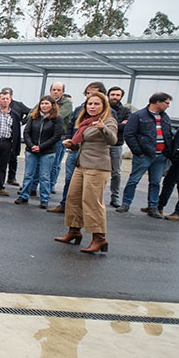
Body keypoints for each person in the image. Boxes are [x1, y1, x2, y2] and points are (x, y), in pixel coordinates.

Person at [56, 91, 119, 254]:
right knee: (73, 198)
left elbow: (113, 140)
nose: (92, 107)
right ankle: (74, 231)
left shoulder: (109, 121)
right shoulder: (85, 121)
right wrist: (71, 144)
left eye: (96, 103)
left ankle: (99, 238)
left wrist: (103, 127)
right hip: (82, 164)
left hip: (98, 167)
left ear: (103, 106)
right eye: (90, 104)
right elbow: (83, 142)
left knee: (92, 202)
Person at [117, 92, 174, 217]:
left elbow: (168, 134)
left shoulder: (165, 117)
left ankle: (153, 207)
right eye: (167, 103)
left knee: (155, 182)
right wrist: (138, 151)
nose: (168, 106)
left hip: (160, 156)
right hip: (144, 155)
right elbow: (129, 134)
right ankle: (125, 204)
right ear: (158, 102)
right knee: (134, 180)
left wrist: (167, 151)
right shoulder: (138, 116)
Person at [14, 96, 61, 209]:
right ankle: (24, 196)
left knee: (44, 176)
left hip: (47, 152)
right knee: (28, 175)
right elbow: (26, 133)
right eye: (42, 103)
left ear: (52, 105)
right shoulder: (33, 117)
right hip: (31, 150)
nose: (44, 106)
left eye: (47, 103)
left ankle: (44, 199)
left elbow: (56, 136)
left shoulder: (57, 119)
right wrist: (32, 146)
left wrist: (41, 147)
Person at [46, 82, 73, 196]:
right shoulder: (45, 100)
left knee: (55, 163)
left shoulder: (67, 103)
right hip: (44, 137)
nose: (56, 92)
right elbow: (32, 114)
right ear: (50, 90)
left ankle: (50, 185)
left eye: (58, 90)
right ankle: (34, 184)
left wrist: (43, 114)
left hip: (59, 138)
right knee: (41, 163)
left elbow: (59, 115)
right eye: (54, 89)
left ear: (62, 92)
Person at [107, 86, 131, 207]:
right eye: (113, 95)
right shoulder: (104, 108)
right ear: (108, 95)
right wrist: (118, 124)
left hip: (116, 144)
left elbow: (126, 126)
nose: (115, 97)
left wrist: (108, 126)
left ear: (121, 97)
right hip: (102, 144)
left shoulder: (126, 111)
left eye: (117, 95)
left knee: (116, 172)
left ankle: (115, 197)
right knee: (98, 171)